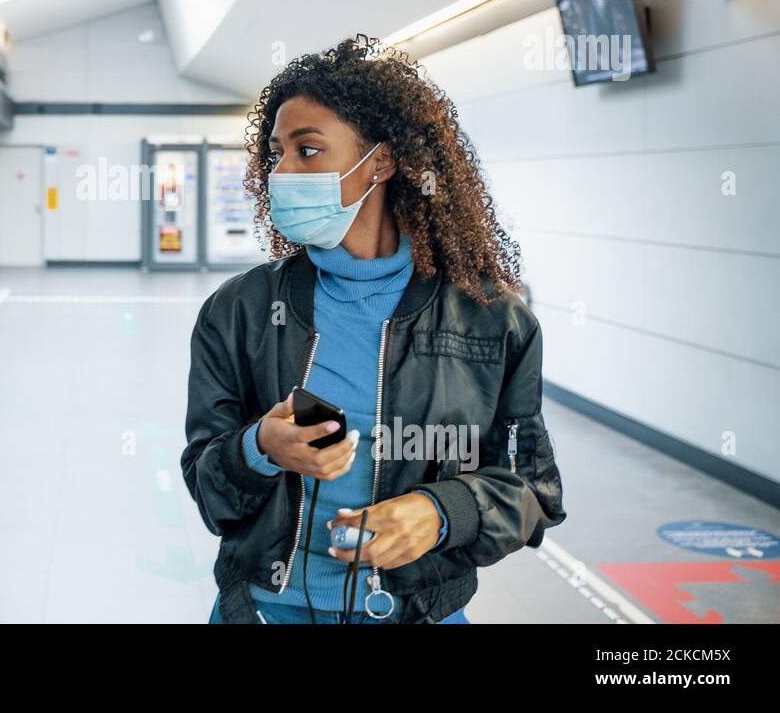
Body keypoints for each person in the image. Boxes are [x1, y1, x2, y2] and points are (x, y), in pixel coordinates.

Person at [181, 34, 567, 624]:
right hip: (264, 609)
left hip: (414, 612)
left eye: (307, 151)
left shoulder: (492, 320)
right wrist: (259, 447)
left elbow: (534, 490)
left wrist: (443, 512)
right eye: (275, 153)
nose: (282, 170)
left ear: (380, 164)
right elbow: (208, 487)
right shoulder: (242, 310)